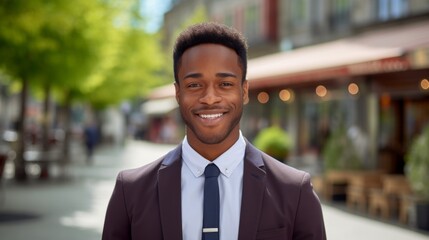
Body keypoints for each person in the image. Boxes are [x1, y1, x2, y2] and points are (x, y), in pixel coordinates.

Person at [102, 22, 326, 240]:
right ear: (178, 93)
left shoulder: (295, 192)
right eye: (194, 85)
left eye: (225, 84)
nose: (209, 98)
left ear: (244, 91)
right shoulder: (130, 192)